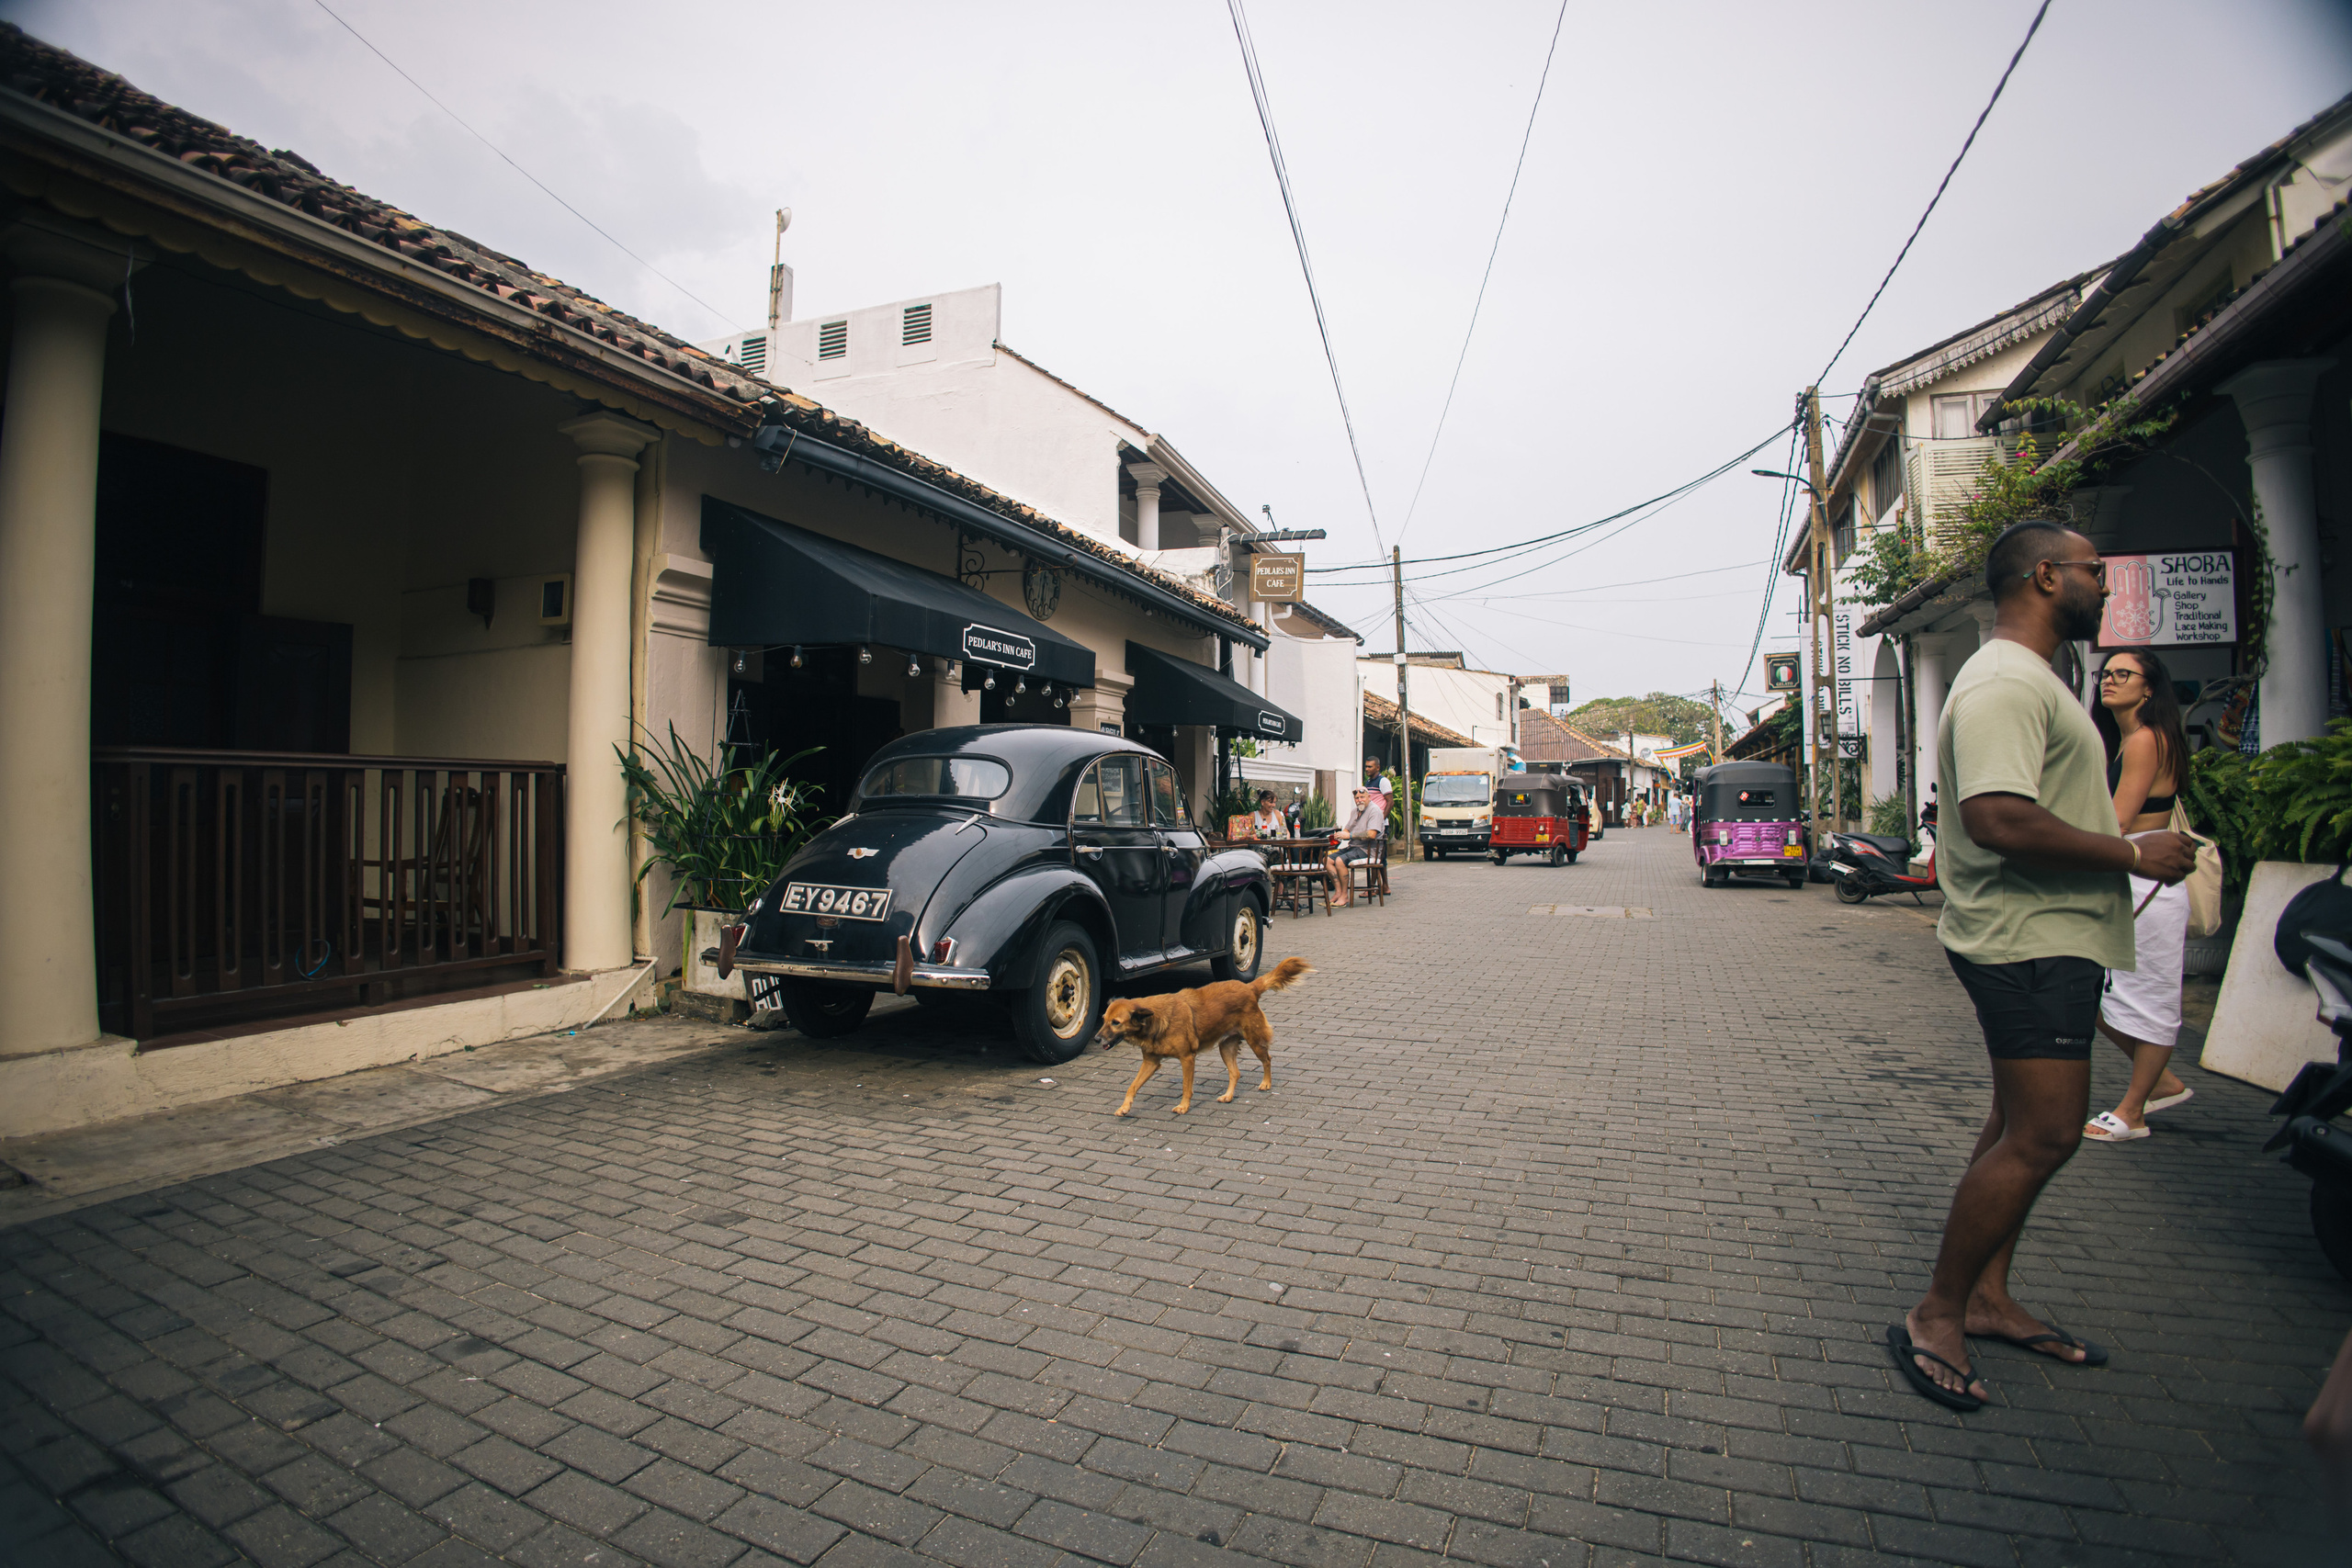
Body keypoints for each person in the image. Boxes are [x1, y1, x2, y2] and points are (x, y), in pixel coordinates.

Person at [1891, 518, 2195, 1412]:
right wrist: (2133, 855)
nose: (2107, 586)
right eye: (2095, 571)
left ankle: (1986, 1298)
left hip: (2050, 934)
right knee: (2047, 1133)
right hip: (2024, 937)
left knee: (2017, 1122)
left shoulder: (2037, 679)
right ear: (2046, 576)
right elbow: (1996, 817)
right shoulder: (1999, 683)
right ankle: (1938, 1312)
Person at [2085, 649, 2197, 1144]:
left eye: (2122, 674)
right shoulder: (2130, 739)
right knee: (2096, 988)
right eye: (2106, 674)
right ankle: (2163, 1083)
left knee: (2146, 994)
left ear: (2149, 688)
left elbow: (2117, 822)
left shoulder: (2146, 740)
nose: (2110, 681)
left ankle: (2134, 1112)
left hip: (2146, 883)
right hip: (2133, 878)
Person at [1325, 786, 1386, 908]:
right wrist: (1338, 834)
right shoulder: (1355, 811)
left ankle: (1344, 895)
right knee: (1326, 860)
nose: (1359, 800)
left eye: (1362, 797)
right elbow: (1347, 828)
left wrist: (1350, 835)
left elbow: (1371, 834)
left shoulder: (1375, 811)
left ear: (1369, 797)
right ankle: (1338, 891)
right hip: (1354, 847)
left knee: (1340, 861)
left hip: (1368, 850)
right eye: (1357, 798)